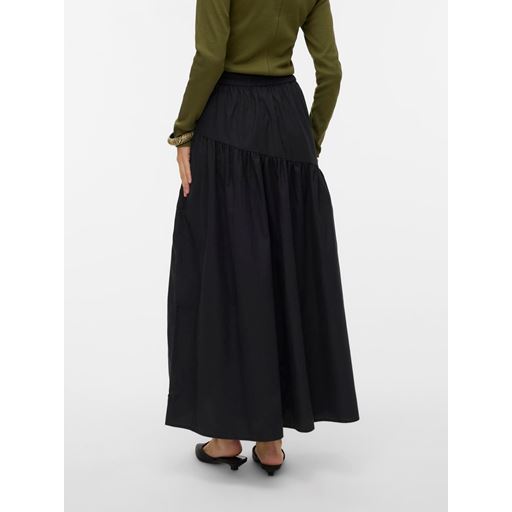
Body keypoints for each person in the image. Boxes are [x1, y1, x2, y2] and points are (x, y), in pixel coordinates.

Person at [166, 0, 359, 476]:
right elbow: (331, 71)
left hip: (227, 124)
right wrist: (308, 140)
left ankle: (226, 436)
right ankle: (271, 443)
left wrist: (183, 131)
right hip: (287, 122)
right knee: (281, 274)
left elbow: (211, 57)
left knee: (224, 278)